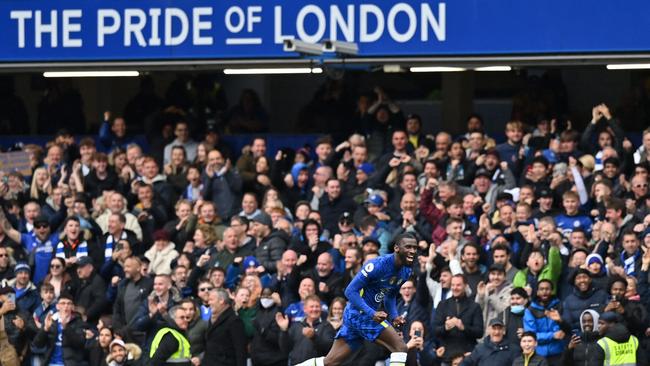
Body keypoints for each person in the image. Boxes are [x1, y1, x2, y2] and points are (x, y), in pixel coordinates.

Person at [296, 233, 418, 366]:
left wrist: (394, 316)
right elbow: (350, 291)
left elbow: (390, 295)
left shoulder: (406, 271)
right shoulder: (377, 265)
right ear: (396, 248)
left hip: (360, 316)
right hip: (361, 314)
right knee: (400, 347)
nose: (412, 251)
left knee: (330, 361)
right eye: (408, 247)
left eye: (415, 247)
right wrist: (372, 313)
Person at [203, 288, 247, 366]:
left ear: (221, 300)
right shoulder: (213, 318)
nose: (208, 303)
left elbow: (240, 351)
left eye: (211, 300)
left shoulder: (234, 321)